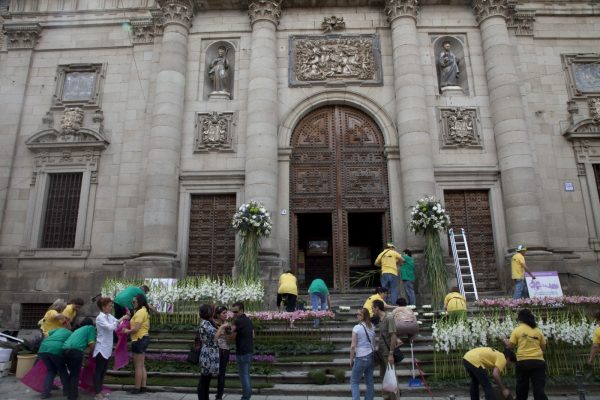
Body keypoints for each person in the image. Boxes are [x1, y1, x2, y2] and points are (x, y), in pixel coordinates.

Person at [503, 309, 548, 400]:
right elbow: (543, 348)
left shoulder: (517, 330)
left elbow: (510, 346)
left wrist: (504, 340)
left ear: (520, 319)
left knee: (522, 388)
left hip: (522, 362)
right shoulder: (538, 331)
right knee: (539, 388)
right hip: (538, 362)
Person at [94, 296, 130, 400]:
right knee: (99, 371)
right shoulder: (100, 318)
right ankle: (97, 394)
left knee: (103, 371)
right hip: (101, 348)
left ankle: (99, 391)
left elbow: (118, 324)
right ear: (103, 307)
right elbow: (111, 327)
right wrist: (122, 318)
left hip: (107, 348)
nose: (111, 307)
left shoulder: (109, 316)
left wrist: (125, 319)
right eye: (109, 306)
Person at [197, 304, 229, 400]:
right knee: (204, 380)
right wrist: (222, 326)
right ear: (207, 312)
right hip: (207, 353)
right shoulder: (205, 323)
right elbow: (215, 337)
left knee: (207, 379)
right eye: (211, 310)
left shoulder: (208, 322)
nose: (213, 312)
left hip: (211, 353)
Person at [372, 299, 400, 400]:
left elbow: (393, 336)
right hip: (381, 352)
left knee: (391, 377)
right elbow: (382, 335)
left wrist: (391, 353)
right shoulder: (380, 319)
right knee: (383, 376)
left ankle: (395, 398)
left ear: (377, 308)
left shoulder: (389, 317)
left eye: (373, 308)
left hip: (388, 352)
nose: (372, 311)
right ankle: (386, 397)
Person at [63, 318, 97, 400]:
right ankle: (72, 396)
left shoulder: (77, 330)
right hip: (75, 351)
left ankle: (69, 392)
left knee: (72, 373)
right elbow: (92, 344)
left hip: (64, 350)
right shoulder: (90, 328)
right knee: (75, 375)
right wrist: (93, 354)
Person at [123, 294, 150, 394]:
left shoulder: (140, 313)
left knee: (138, 366)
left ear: (140, 302)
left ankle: (137, 388)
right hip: (143, 338)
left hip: (139, 339)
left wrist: (126, 331)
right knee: (142, 365)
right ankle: (143, 387)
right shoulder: (143, 311)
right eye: (132, 302)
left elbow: (135, 329)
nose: (133, 303)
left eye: (134, 302)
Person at [38, 327, 71, 399]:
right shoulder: (71, 333)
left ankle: (45, 393)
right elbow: (70, 345)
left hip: (43, 348)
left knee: (51, 370)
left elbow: (46, 334)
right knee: (62, 370)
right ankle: (67, 391)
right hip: (56, 350)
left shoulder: (58, 329)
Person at [350, 307, 375, 400]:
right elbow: (373, 342)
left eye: (359, 314)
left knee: (354, 381)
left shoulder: (357, 327)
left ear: (364, 316)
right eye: (356, 314)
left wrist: (351, 359)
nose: (357, 316)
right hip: (371, 355)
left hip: (361, 356)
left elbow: (353, 346)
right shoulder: (372, 326)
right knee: (369, 381)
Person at [231, 301, 254, 400]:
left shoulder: (238, 321)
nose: (234, 314)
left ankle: (246, 397)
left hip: (242, 351)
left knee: (244, 375)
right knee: (246, 374)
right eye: (233, 312)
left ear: (241, 310)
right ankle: (247, 395)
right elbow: (253, 335)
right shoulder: (248, 320)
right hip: (249, 350)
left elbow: (231, 336)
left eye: (235, 312)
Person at [214, 305, 232, 400]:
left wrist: (227, 333)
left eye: (226, 313)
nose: (226, 315)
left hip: (225, 351)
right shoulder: (212, 324)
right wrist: (220, 328)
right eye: (223, 313)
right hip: (214, 351)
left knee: (222, 373)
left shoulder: (227, 325)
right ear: (217, 314)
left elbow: (229, 342)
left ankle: (219, 396)